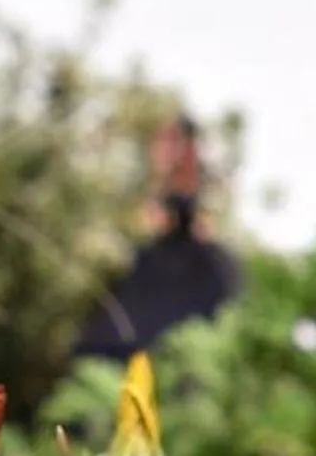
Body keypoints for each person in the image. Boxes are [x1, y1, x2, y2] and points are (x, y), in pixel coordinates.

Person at [72, 114, 241, 358]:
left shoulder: (211, 256)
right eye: (166, 142)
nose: (171, 154)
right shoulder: (127, 214)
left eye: (178, 143)